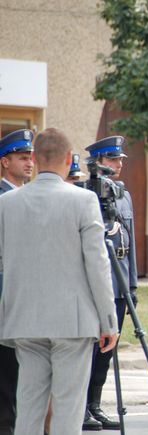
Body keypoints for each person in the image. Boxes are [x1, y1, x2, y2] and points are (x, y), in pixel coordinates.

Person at [0, 127, 118, 435]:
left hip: (24, 317)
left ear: (36, 159)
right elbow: (97, 264)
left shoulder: (7, 203)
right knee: (68, 408)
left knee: (28, 406)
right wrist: (109, 320)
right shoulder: (83, 200)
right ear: (68, 158)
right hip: (72, 320)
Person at [83, 136, 138, 430]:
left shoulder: (124, 195)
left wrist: (130, 286)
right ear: (98, 163)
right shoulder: (86, 194)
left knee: (107, 352)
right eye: (112, 160)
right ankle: (81, 406)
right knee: (91, 347)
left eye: (119, 160)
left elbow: (127, 245)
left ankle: (95, 403)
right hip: (96, 283)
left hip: (118, 283)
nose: (118, 165)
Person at [0, 129, 34, 435]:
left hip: (26, 298)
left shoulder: (31, 197)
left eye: (31, 157)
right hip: (5, 297)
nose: (29, 163)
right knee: (6, 376)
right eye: (22, 157)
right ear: (4, 162)